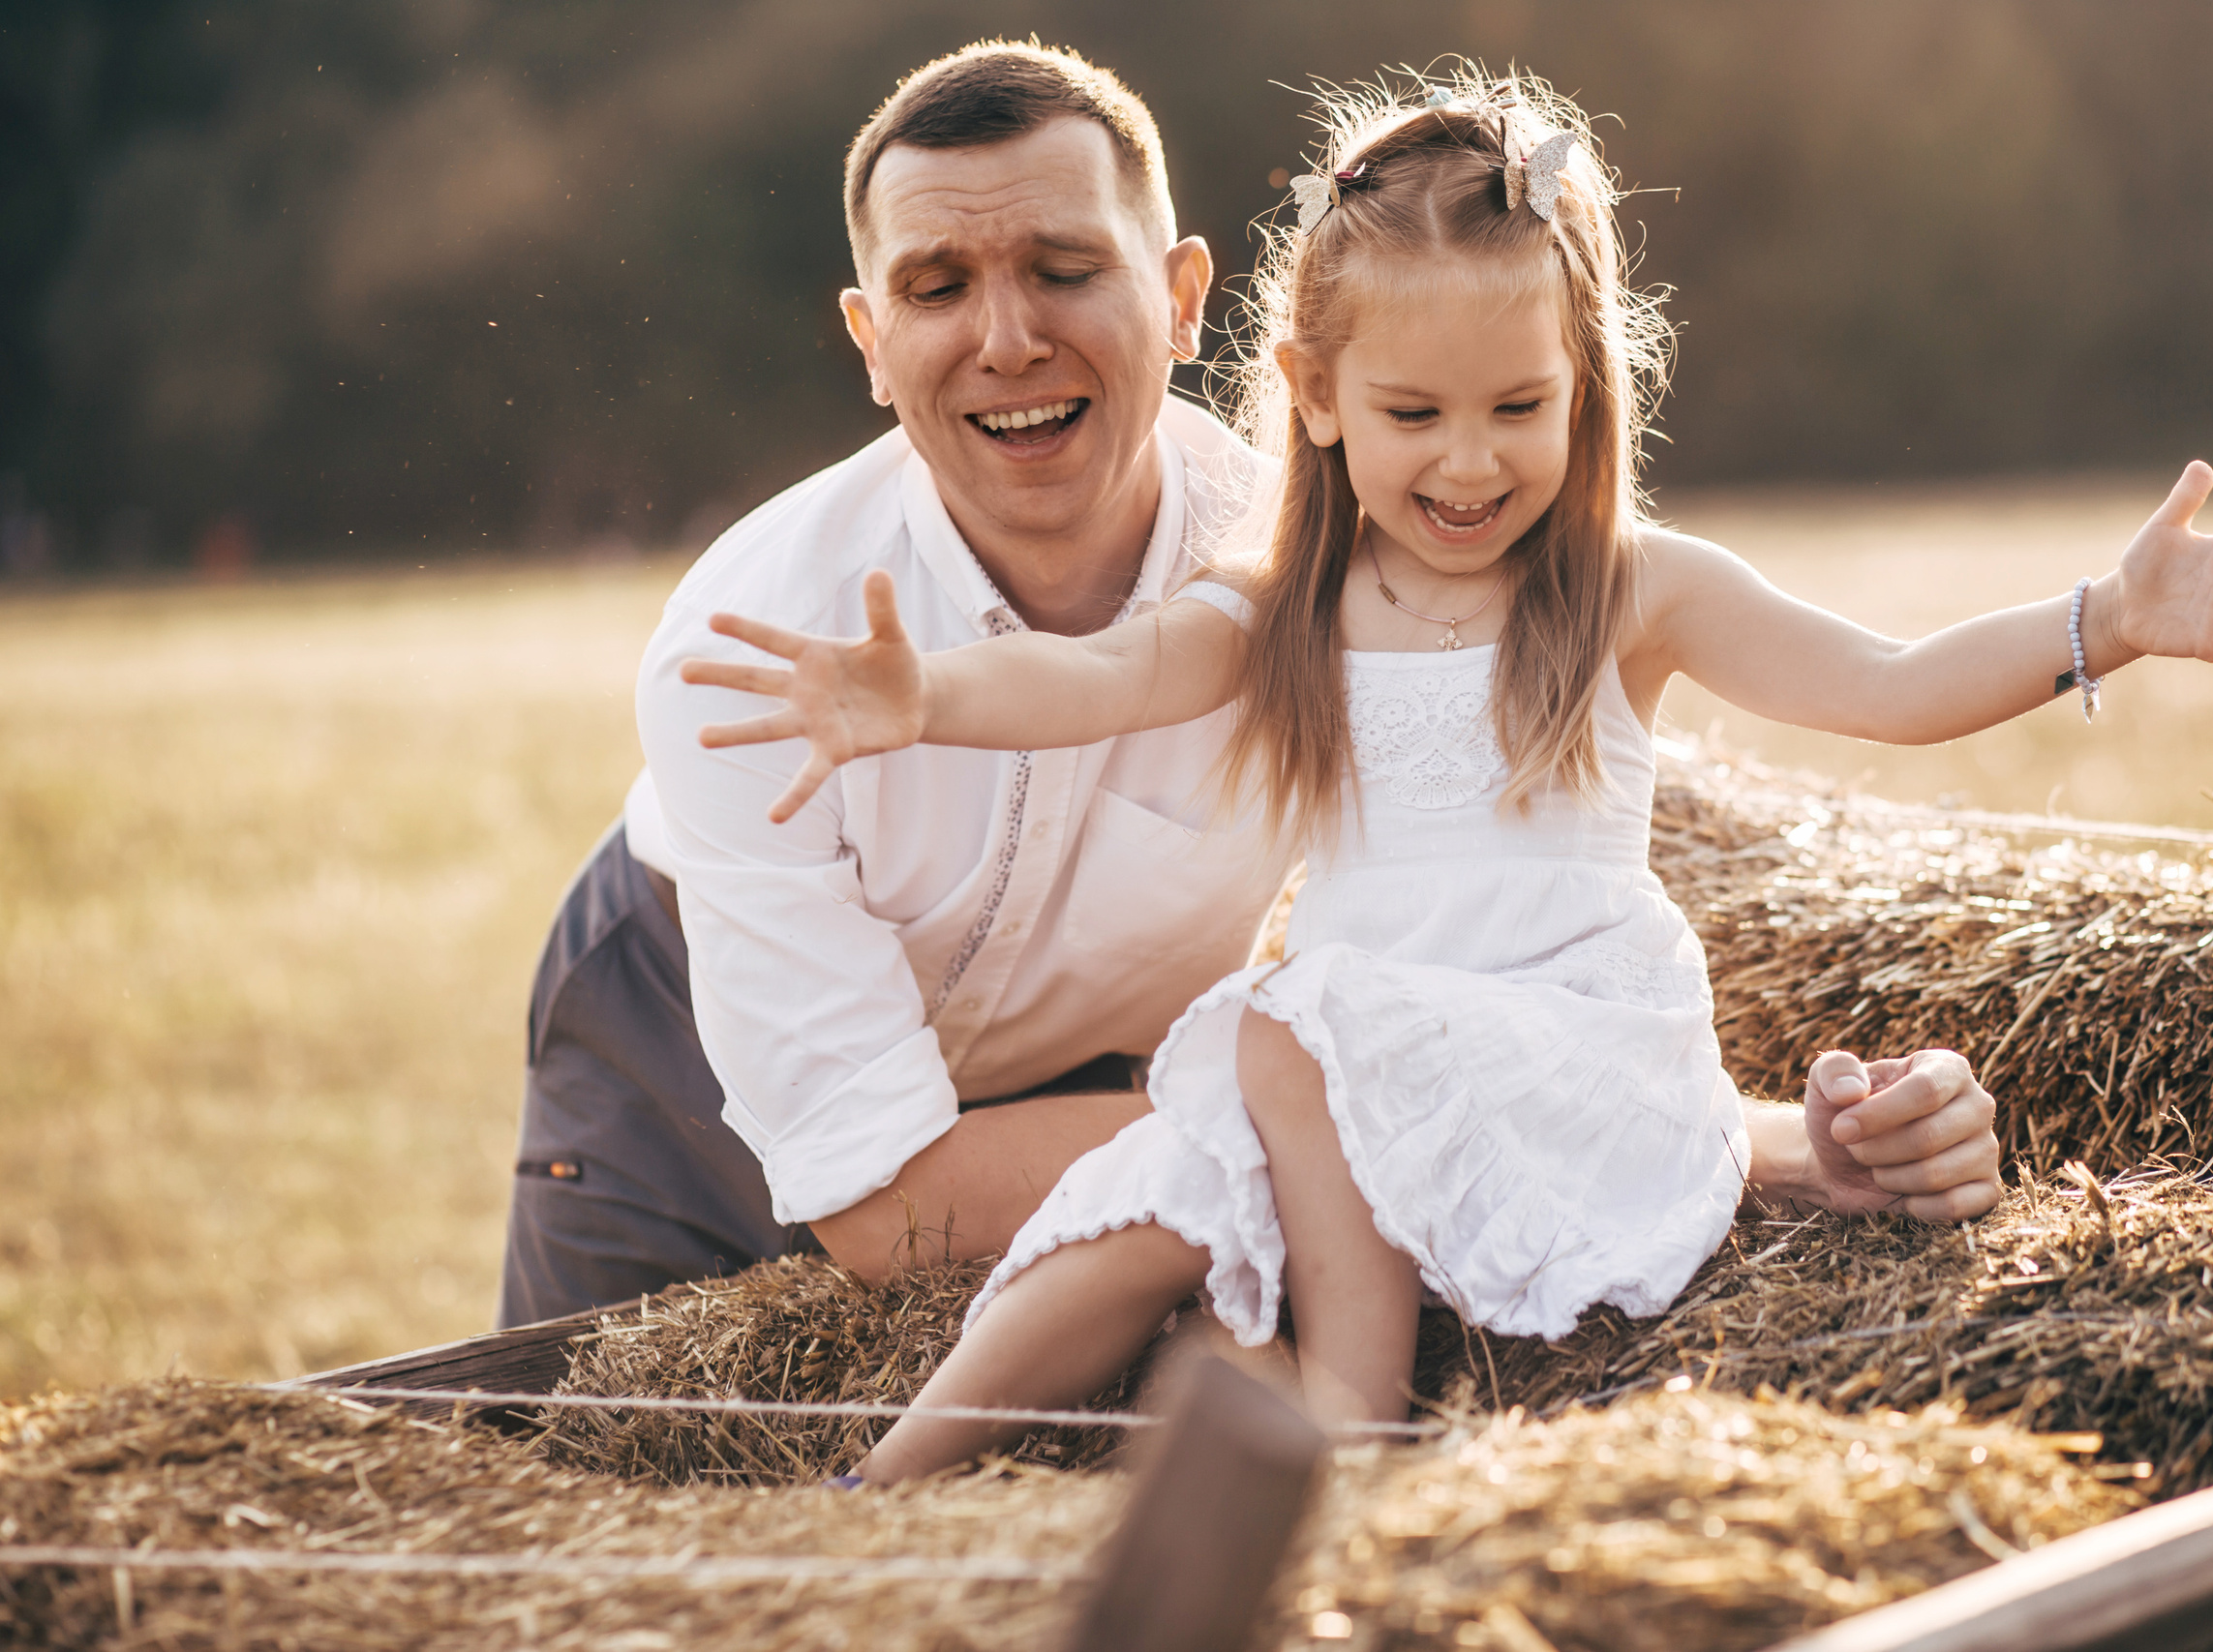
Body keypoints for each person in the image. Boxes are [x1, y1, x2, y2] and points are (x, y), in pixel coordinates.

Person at [682, 71, 2213, 1478]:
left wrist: (2108, 621)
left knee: (1290, 1018)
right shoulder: (1281, 602)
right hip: (1353, 1069)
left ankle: (1347, 1411)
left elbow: (1895, 686)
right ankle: (880, 1484)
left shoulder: (1634, 587)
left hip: (1555, 1036)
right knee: (1128, 1213)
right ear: (1316, 400)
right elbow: (1100, 677)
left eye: (1521, 407)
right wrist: (926, 699)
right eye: (1415, 412)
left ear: (1588, 387)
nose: (1471, 463)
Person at [501, 42, 2008, 1329]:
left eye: (1065, 268)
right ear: (871, 340)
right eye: (939, 285)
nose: (1009, 336)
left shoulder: (1328, 578)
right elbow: (889, 1214)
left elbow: (1469, 993)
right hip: (676, 1062)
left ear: (1181, 295)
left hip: (1096, 1072)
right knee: (565, 1500)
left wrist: (1779, 1147)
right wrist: (1349, 1129)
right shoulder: (756, 647)